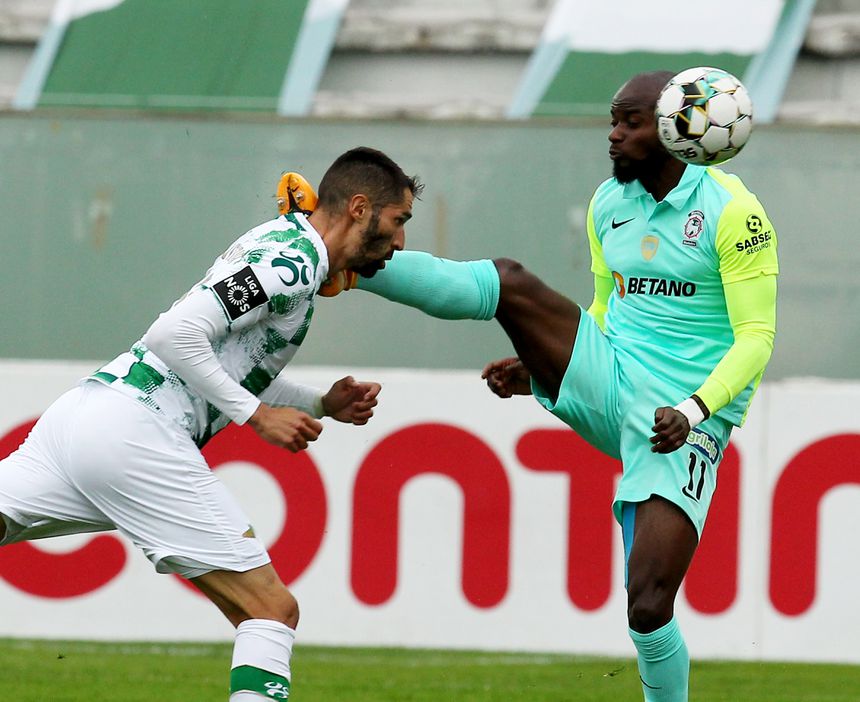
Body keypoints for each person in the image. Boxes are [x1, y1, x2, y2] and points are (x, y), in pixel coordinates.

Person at [337, 72, 778, 701]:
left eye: (629, 123)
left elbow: (756, 338)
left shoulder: (735, 212)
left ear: (674, 126)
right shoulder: (609, 204)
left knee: (648, 606)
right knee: (510, 281)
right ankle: (342, 261)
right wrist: (544, 364)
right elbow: (605, 310)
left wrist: (697, 406)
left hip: (684, 419)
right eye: (612, 120)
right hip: (613, 374)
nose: (614, 135)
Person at [0, 146, 422, 701]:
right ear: (361, 209)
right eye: (399, 222)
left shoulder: (285, 247)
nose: (401, 242)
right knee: (272, 609)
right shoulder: (290, 265)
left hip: (89, 413)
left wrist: (320, 403)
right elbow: (174, 336)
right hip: (137, 432)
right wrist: (259, 417)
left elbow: (225, 363)